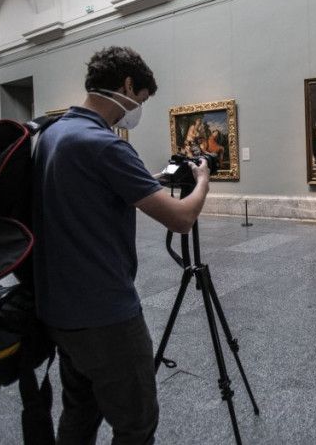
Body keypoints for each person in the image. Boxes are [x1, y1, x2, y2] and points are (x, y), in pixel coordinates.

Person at [33, 46, 211, 445]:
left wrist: (146, 180)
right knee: (136, 425)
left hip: (59, 312)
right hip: (106, 316)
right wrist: (202, 182)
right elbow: (181, 219)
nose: (137, 109)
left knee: (79, 415)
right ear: (128, 85)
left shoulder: (52, 134)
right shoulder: (105, 144)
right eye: (141, 99)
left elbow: (88, 189)